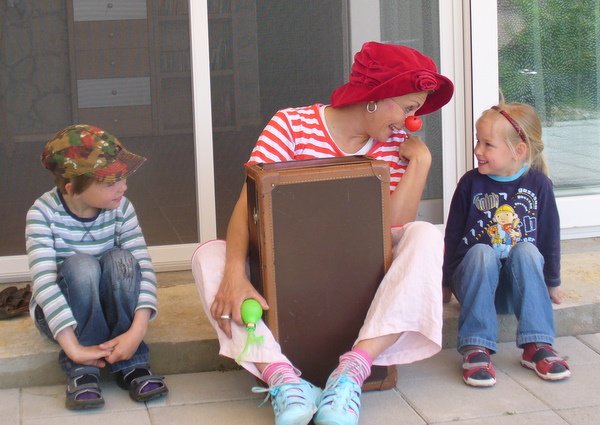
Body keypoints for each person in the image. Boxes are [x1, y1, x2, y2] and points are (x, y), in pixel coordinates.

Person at [192, 41, 454, 425]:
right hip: (287, 267)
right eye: (409, 108)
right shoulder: (291, 125)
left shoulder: (398, 146)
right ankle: (282, 378)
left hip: (359, 267)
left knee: (426, 235)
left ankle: (352, 372)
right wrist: (234, 272)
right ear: (375, 98)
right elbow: (248, 205)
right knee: (209, 256)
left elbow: (392, 230)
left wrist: (421, 163)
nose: (412, 122)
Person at [25, 125, 168, 410]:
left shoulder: (122, 208)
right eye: (109, 183)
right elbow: (44, 283)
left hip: (112, 309)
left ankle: (132, 360)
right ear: (72, 189)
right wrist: (74, 349)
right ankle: (82, 369)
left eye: (122, 177)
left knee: (122, 260)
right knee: (82, 265)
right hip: (64, 317)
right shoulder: (43, 213)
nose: (123, 187)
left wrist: (136, 332)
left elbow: (143, 268)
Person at [442, 102, 571, 388]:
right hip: (474, 286)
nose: (477, 150)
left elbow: (549, 237)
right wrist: (445, 283)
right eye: (478, 141)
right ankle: (476, 346)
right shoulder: (470, 184)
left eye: (488, 144)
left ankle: (537, 345)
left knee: (526, 250)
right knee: (481, 252)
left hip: (515, 291)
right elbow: (452, 235)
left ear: (518, 151)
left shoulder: (539, 185)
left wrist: (551, 283)